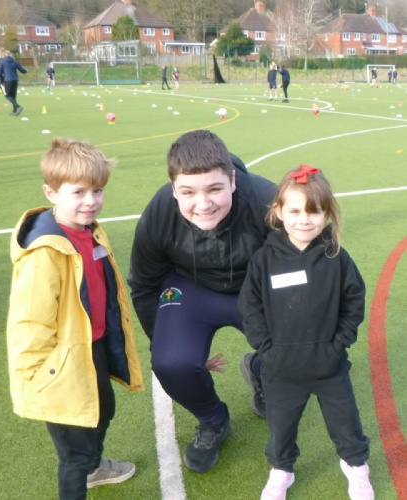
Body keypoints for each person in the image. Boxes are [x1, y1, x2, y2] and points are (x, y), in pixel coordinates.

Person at [127, 130, 276, 473]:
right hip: (190, 288)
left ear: (233, 180)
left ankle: (260, 368)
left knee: (296, 349)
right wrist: (168, 343)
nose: (203, 203)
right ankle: (213, 420)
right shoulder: (160, 212)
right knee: (172, 362)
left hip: (253, 290)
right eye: (188, 192)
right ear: (173, 189)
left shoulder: (267, 200)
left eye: (214, 189)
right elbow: (144, 285)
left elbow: (308, 267)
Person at [7, 138, 144, 500]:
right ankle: (86, 470)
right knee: (74, 454)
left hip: (90, 347)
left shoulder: (89, 230)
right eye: (78, 192)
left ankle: (95, 469)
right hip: (60, 365)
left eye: (97, 190)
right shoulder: (45, 252)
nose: (91, 201)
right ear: (51, 192)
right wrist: (36, 377)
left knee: (103, 411)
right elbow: (29, 322)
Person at [238, 165, 374, 500]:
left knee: (346, 424)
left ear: (327, 213)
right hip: (281, 369)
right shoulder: (263, 260)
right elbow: (250, 307)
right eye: (295, 211)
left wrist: (337, 345)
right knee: (281, 428)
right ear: (278, 211)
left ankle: (356, 467)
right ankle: (281, 470)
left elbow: (354, 300)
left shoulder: (337, 257)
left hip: (329, 367)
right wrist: (267, 350)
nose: (305, 220)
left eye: (314, 211)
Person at [0, 50, 27, 116]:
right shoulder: (14, 61)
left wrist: (1, 81)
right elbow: (22, 70)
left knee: (8, 95)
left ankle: (17, 106)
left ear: (5, 55)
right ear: (11, 54)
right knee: (13, 96)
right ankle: (14, 111)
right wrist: (26, 70)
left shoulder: (2, 61)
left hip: (8, 80)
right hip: (15, 80)